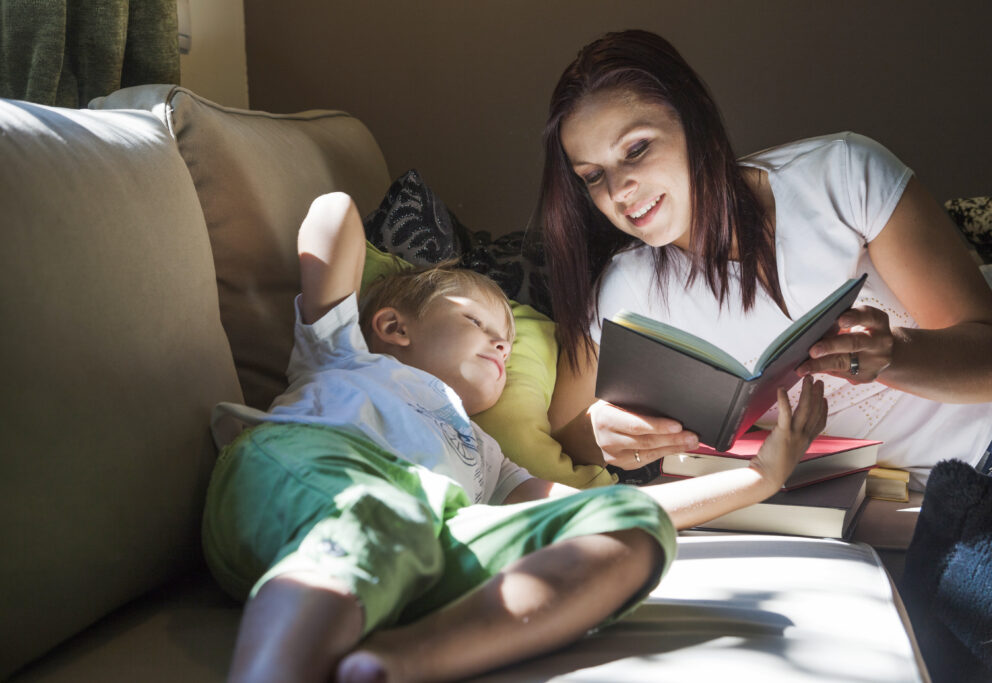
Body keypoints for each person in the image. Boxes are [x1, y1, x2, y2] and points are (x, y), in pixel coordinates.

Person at [201, 190, 828, 683]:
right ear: (393, 326)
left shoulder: (487, 456)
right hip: (307, 480)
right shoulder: (342, 355)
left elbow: (589, 506)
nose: (504, 342)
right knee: (385, 511)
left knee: (633, 534)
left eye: (508, 336)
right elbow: (331, 216)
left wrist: (757, 480)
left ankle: (405, 660)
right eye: (476, 320)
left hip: (428, 539)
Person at [538, 29, 992, 491]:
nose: (619, 190)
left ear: (693, 120)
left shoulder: (841, 175)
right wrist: (603, 433)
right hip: (912, 491)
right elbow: (566, 432)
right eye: (593, 176)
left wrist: (894, 352)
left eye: (636, 149)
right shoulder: (627, 289)